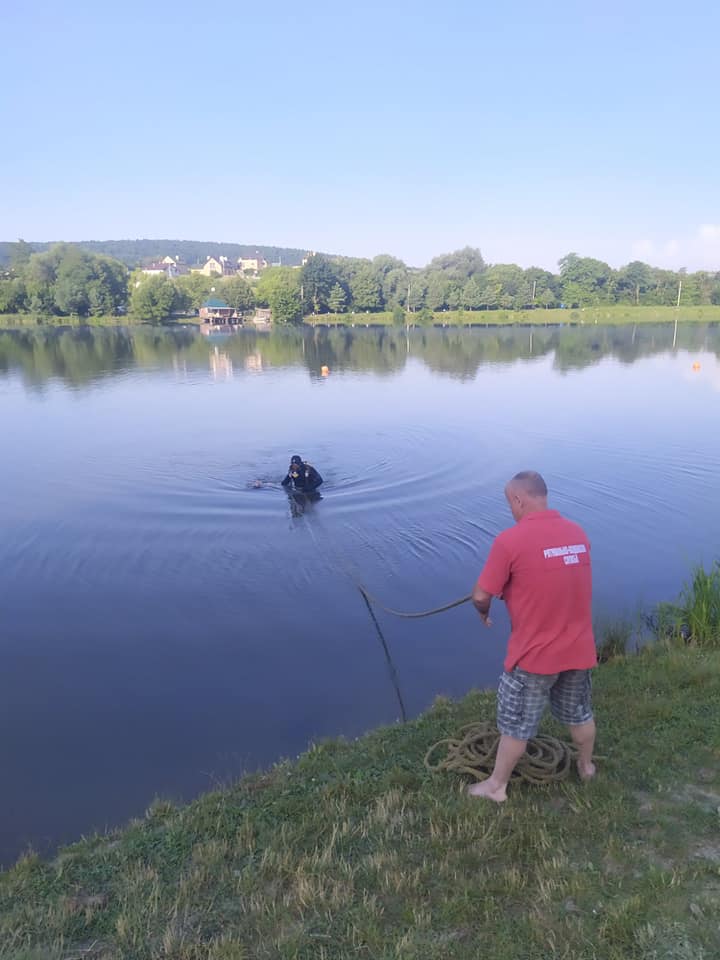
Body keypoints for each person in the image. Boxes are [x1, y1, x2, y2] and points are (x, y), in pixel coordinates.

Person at [469, 470, 597, 802]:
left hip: (534, 655)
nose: (511, 510)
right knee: (580, 713)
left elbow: (481, 595)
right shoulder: (578, 533)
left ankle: (496, 786)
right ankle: (586, 767)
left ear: (518, 499)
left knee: (516, 725)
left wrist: (483, 610)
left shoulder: (509, 541)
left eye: (509, 504)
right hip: (579, 649)